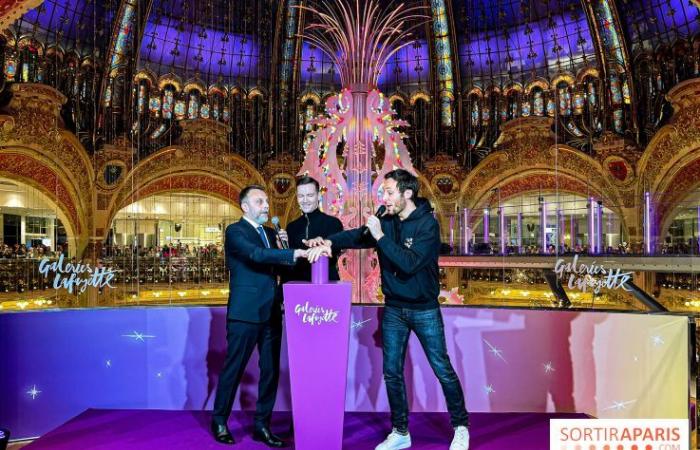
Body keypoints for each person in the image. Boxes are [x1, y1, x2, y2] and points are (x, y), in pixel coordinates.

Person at [306, 169, 470, 450]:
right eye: (384, 192)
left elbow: (409, 263)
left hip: (424, 309)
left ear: (407, 193)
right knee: (391, 371)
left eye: (390, 192)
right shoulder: (387, 218)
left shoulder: (427, 225)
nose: (385, 198)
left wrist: (380, 236)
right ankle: (401, 431)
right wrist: (330, 241)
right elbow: (359, 236)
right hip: (394, 308)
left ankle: (461, 426)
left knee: (441, 367)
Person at [211, 184, 308, 447]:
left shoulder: (269, 232)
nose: (266, 206)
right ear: (245, 206)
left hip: (271, 312)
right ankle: (219, 420)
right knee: (234, 369)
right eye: (259, 201)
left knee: (270, 371)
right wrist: (291, 253)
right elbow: (256, 255)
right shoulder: (235, 231)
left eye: (266, 201)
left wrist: (287, 250)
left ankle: (262, 425)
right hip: (244, 313)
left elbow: (273, 264)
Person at [280, 176, 344, 284]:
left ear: (318, 196)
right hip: (296, 286)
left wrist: (321, 243)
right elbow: (289, 262)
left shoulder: (333, 223)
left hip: (325, 285)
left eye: (310, 195)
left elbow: (335, 251)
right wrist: (283, 247)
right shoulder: (291, 226)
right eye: (301, 196)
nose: (305, 200)